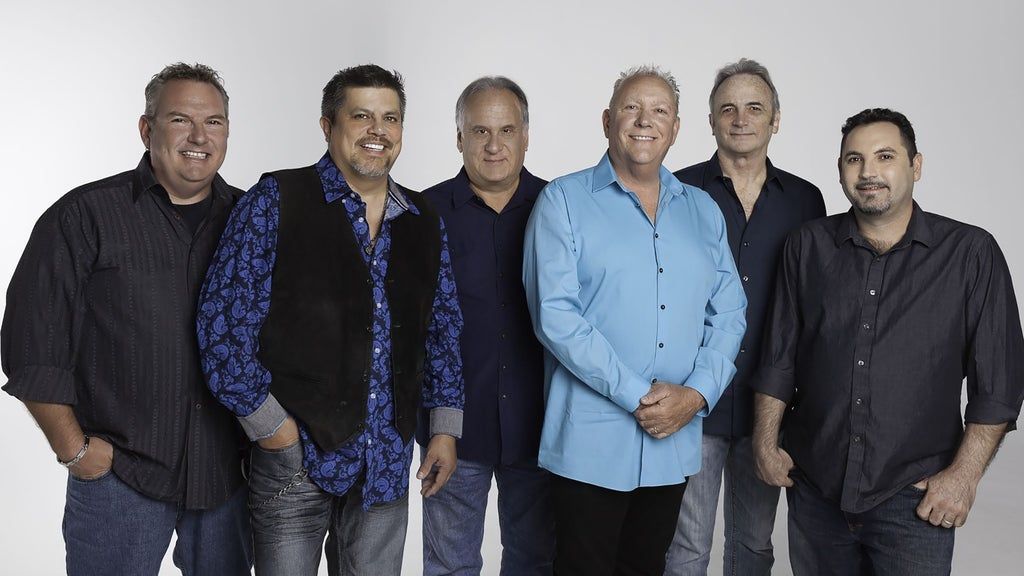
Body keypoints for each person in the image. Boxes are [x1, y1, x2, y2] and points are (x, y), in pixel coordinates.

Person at [196, 63, 464, 576]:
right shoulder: (276, 200)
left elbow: (443, 333)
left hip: (385, 467)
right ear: (327, 125)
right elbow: (221, 327)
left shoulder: (424, 220)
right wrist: (274, 430)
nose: (377, 130)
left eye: (390, 118)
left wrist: (445, 430)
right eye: (361, 116)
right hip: (294, 466)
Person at [1, 62, 251, 576]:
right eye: (180, 120)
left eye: (214, 122)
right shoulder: (84, 216)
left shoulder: (252, 220)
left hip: (228, 478)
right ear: (146, 129)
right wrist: (76, 452)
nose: (199, 137)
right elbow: (32, 347)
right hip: (120, 478)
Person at [752, 108, 1024, 575]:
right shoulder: (807, 246)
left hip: (914, 496)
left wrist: (963, 477)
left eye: (885, 156)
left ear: (915, 166)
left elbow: (999, 385)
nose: (868, 172)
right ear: (840, 169)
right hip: (816, 490)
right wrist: (763, 441)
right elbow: (779, 357)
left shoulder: (970, 253)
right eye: (854, 159)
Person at [522, 65, 747, 576]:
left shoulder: (703, 210)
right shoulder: (563, 200)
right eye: (631, 108)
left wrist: (697, 394)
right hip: (589, 443)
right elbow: (555, 315)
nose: (645, 120)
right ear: (607, 121)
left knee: (646, 568)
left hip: (673, 441)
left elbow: (730, 311)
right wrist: (639, 395)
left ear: (676, 128)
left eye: (659, 111)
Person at [665, 58, 825, 576]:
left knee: (754, 546)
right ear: (710, 120)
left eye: (755, 108)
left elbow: (815, 303)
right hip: (693, 400)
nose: (740, 119)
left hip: (770, 406)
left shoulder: (806, 200)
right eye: (728, 108)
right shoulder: (676, 190)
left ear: (776, 119)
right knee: (686, 547)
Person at [417, 76, 554, 575]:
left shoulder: (562, 208)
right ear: (459, 138)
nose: (494, 145)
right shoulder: (422, 213)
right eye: (479, 131)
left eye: (506, 130)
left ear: (526, 136)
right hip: (453, 431)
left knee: (535, 563)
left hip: (542, 427)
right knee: (450, 567)